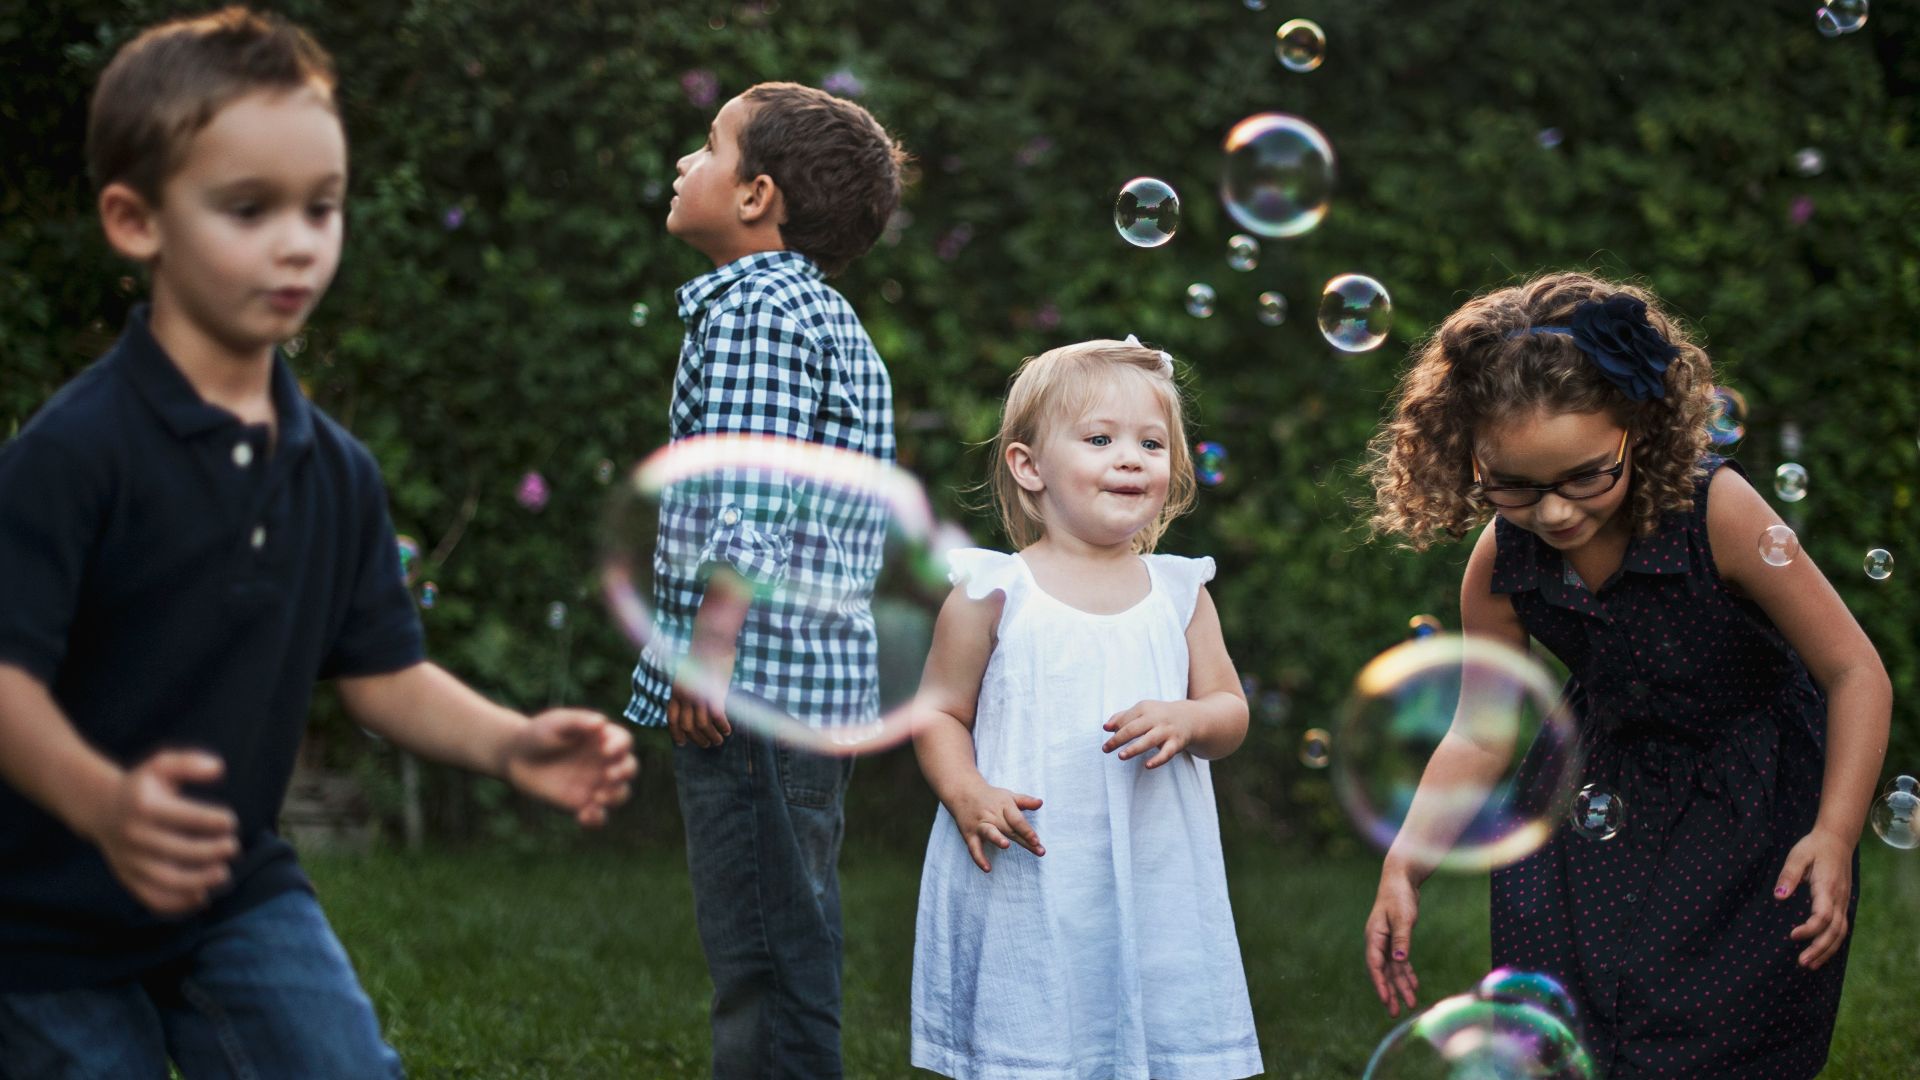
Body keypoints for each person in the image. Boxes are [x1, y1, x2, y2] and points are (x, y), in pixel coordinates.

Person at [0, 9, 636, 1076]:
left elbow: (381, 672)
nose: (298, 239)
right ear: (134, 219)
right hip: (40, 909)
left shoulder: (333, 470)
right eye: (248, 209)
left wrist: (510, 744)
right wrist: (106, 805)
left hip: (227, 884)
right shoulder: (77, 454)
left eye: (322, 206)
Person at [1359, 270, 1891, 1076]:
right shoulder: (1502, 560)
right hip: (1593, 795)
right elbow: (1479, 729)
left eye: (1585, 475)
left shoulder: (1719, 513)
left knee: (1719, 1023)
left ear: (1638, 429)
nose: (1556, 513)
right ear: (1467, 458)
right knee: (1578, 1021)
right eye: (1513, 485)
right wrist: (1407, 859)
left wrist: (1836, 832)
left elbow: (1855, 671)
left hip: (1747, 791)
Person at [622, 81, 906, 1077]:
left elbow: (752, 491)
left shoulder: (755, 308)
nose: (682, 164)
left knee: (765, 956)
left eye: (706, 147)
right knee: (789, 933)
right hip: (802, 693)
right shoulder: (818, 314)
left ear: (756, 196)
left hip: (753, 690)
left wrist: (711, 650)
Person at [908, 338, 1263, 1079]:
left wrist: (1190, 718)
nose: (1130, 458)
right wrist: (966, 791)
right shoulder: (993, 590)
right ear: (1029, 467)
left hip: (1152, 863)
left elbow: (1229, 709)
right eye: (1100, 439)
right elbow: (939, 712)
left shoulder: (1179, 592)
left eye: (1151, 443)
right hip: (1029, 866)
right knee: (1035, 1036)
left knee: (1152, 1022)